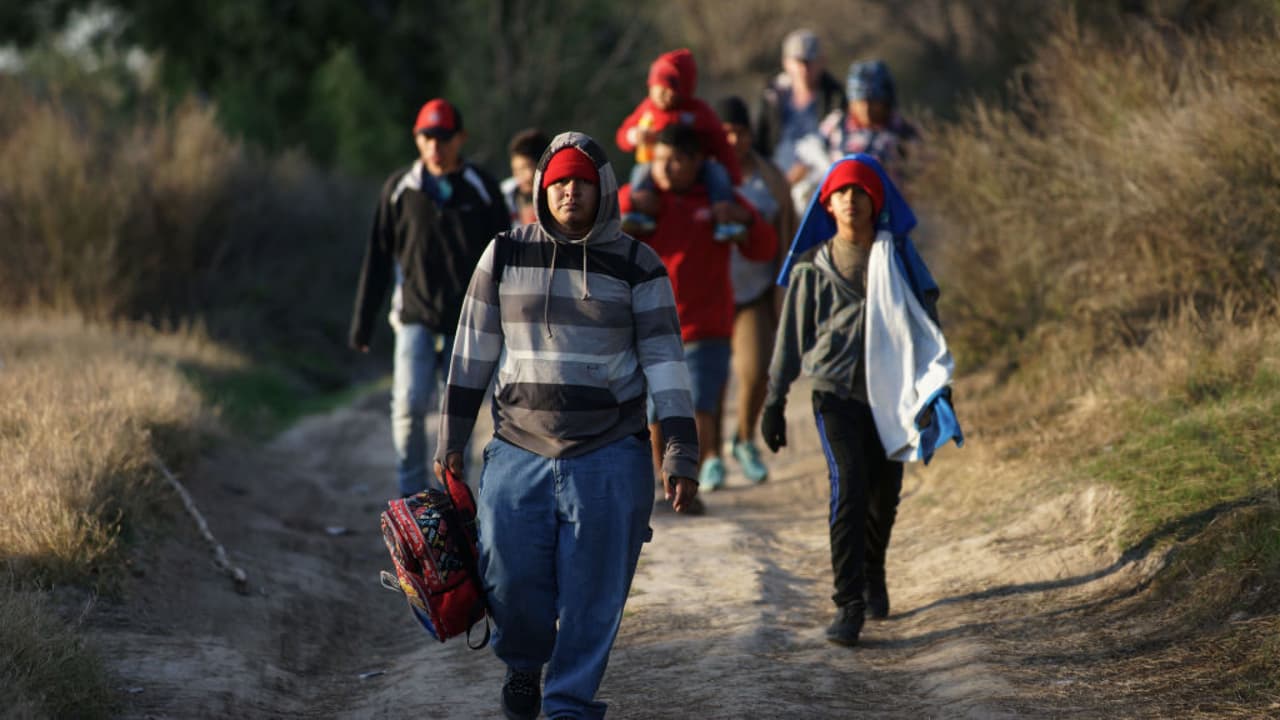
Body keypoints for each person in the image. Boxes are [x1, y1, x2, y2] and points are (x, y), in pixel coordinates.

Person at [434, 132, 700, 720]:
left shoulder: (639, 264)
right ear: (540, 190)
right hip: (516, 449)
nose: (570, 192)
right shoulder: (504, 254)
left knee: (593, 599)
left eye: (581, 181)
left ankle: (568, 705)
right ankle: (524, 663)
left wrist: (680, 449)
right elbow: (472, 350)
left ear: (603, 188)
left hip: (610, 453)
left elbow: (665, 361)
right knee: (510, 581)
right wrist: (452, 437)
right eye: (558, 182)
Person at [761, 154, 962, 647]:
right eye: (840, 192)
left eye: (860, 192)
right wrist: (774, 400)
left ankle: (874, 570)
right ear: (827, 204)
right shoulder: (813, 269)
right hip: (835, 395)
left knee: (884, 493)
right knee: (849, 486)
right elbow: (790, 340)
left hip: (893, 395)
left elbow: (926, 326)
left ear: (876, 202)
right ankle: (848, 603)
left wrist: (937, 385)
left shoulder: (899, 261)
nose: (850, 199)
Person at [349, 97, 509, 497]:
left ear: (461, 138)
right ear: (416, 138)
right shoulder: (400, 189)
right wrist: (363, 323)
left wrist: (507, 319)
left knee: (458, 414)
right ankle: (412, 497)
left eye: (443, 137)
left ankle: (455, 499)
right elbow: (378, 256)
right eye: (427, 137)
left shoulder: (483, 189)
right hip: (415, 315)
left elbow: (507, 258)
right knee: (408, 405)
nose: (435, 145)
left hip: (467, 320)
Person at [620, 124, 777, 500]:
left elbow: (764, 247)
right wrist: (631, 205)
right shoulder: (646, 201)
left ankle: (693, 484)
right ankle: (665, 485)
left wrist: (743, 219)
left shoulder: (719, 201)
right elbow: (607, 220)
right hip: (653, 326)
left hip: (708, 326)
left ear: (697, 162)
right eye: (659, 160)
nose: (665, 168)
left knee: (701, 406)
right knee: (656, 411)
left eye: (675, 160)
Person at [716, 95, 797, 484]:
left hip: (756, 292)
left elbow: (789, 229)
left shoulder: (770, 177)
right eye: (726, 132)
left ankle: (744, 439)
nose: (734, 140)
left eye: (741, 132)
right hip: (710, 293)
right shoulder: (704, 174)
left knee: (756, 369)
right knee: (709, 380)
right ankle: (709, 454)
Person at [615, 48, 750, 242]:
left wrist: (733, 175)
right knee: (641, 172)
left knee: (717, 173)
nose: (663, 97)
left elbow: (720, 144)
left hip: (698, 168)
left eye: (669, 91)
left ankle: (724, 220)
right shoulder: (647, 110)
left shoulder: (698, 112)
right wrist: (634, 136)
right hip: (653, 168)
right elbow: (623, 136)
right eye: (658, 89)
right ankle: (640, 215)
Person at [753, 29, 847, 201]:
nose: (804, 69)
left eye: (810, 62)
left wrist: (803, 169)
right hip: (775, 179)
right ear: (786, 63)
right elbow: (760, 144)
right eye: (798, 62)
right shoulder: (772, 96)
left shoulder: (836, 98)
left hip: (818, 179)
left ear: (821, 62)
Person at [818, 60, 919, 183]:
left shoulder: (905, 131)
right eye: (860, 101)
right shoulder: (835, 125)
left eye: (873, 101)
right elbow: (812, 156)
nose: (866, 109)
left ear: (886, 101)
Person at [500, 128, 551, 229]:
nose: (518, 176)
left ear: (543, 165)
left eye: (524, 168)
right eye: (515, 170)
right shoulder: (505, 196)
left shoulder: (560, 197)